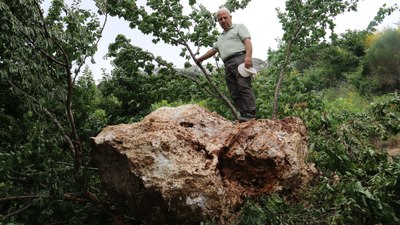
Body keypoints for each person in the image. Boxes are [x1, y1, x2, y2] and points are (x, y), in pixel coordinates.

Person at [195, 7, 256, 122]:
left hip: (240, 59)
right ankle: (243, 115)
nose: (223, 20)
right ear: (218, 21)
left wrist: (248, 57)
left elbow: (247, 42)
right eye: (220, 19)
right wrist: (200, 59)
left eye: (225, 17)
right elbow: (213, 50)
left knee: (244, 86)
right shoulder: (220, 37)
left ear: (230, 17)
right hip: (227, 64)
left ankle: (250, 114)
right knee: (234, 91)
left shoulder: (239, 27)